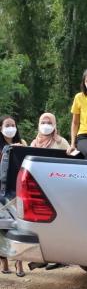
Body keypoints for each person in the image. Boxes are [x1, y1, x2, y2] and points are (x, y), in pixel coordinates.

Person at [0, 115, 26, 277]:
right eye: (7, 125)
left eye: (13, 125)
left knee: (18, 225)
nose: (11, 128)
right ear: (1, 128)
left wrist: (19, 150)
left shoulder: (22, 144)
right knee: (1, 226)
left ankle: (19, 262)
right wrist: (8, 150)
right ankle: (4, 262)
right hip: (1, 190)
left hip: (16, 190)